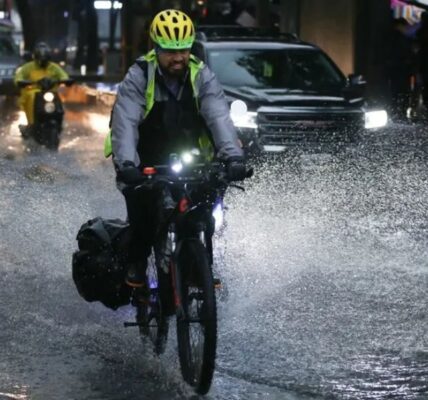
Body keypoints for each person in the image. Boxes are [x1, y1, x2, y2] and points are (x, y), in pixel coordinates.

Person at [105, 9, 246, 288]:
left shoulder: (202, 75)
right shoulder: (139, 75)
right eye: (170, 51)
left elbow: (218, 117)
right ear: (156, 48)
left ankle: (200, 266)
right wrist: (127, 164)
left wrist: (233, 157)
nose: (178, 57)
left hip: (190, 153)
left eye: (183, 49)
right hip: (144, 156)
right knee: (144, 215)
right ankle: (137, 262)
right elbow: (125, 122)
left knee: (203, 212)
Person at [14, 42, 69, 133]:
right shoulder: (28, 67)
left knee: (59, 104)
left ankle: (59, 122)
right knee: (31, 97)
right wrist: (21, 82)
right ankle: (31, 123)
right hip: (33, 93)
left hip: (50, 92)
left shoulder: (54, 67)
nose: (42, 62)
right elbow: (19, 77)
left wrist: (65, 80)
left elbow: (63, 76)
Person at [385, 18, 417, 121]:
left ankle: (397, 113)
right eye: (405, 26)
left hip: (398, 70)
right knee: (401, 92)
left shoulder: (394, 37)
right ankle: (400, 114)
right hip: (401, 70)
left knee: (396, 93)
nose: (406, 28)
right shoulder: (399, 38)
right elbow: (402, 54)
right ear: (399, 26)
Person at [416, 12, 428, 109]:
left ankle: (425, 102)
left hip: (423, 62)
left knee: (424, 84)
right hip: (424, 62)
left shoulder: (420, 32)